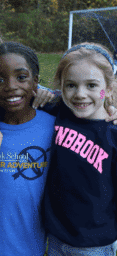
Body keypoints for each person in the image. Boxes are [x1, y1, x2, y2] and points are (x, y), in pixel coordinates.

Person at [0, 41, 56, 255]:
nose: (10, 86)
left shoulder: (53, 127)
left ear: (36, 81)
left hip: (29, 244)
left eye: (21, 77)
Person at [43, 43, 117, 255]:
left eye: (92, 85)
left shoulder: (113, 133)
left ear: (108, 88)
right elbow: (14, 99)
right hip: (56, 237)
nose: (80, 94)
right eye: (71, 85)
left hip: (95, 243)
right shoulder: (58, 113)